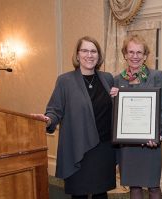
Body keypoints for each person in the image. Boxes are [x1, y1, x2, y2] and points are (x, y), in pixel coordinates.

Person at [31, 36, 116, 199]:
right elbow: (55, 110)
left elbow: (116, 107)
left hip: (104, 148)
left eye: (93, 51)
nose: (89, 55)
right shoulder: (65, 81)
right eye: (84, 50)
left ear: (98, 56)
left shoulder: (107, 78)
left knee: (101, 194)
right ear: (77, 55)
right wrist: (48, 120)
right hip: (79, 147)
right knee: (79, 194)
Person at [110, 34, 162, 199]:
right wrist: (112, 98)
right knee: (134, 185)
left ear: (145, 56)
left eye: (139, 52)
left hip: (150, 141)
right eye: (131, 52)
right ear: (125, 54)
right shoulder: (117, 80)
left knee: (153, 186)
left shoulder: (156, 76)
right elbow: (115, 113)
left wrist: (155, 133)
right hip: (128, 143)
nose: (134, 56)